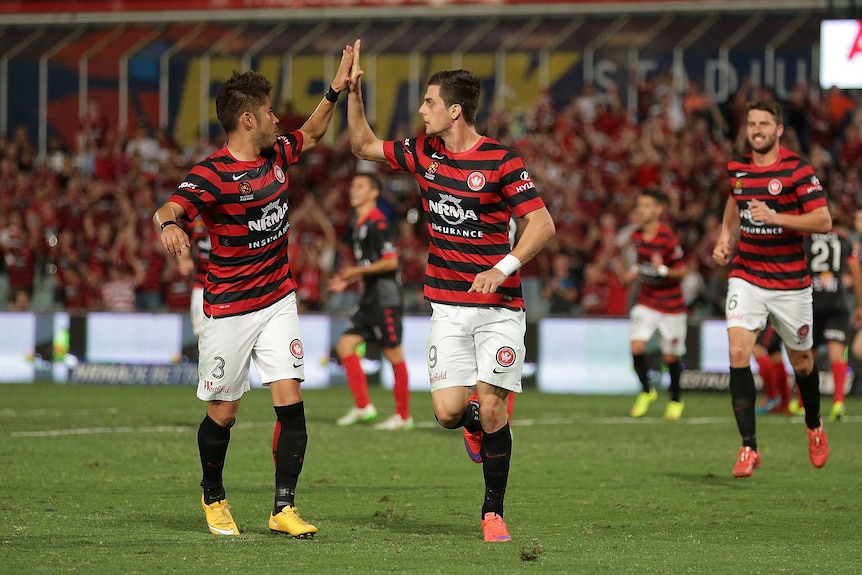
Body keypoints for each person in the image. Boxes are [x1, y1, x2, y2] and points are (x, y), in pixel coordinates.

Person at [346, 39, 556, 542]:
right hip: (447, 307)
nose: (421, 110)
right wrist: (352, 92)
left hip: (500, 308)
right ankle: (471, 421)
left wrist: (502, 267)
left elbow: (542, 224)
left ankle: (492, 513)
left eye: (429, 102)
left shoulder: (502, 161)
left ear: (455, 110)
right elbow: (362, 146)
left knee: (496, 405)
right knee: (447, 412)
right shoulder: (423, 153)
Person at [152, 48, 354, 537]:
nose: (275, 118)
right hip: (228, 310)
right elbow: (169, 207)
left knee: (291, 400)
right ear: (248, 119)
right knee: (223, 412)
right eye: (267, 112)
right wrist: (167, 227)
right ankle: (214, 496)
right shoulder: (212, 174)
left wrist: (334, 90)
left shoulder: (276, 153)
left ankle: (283, 507)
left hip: (277, 301)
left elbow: (312, 131)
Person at [712, 99, 832, 479]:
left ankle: (813, 424)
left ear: (779, 129)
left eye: (765, 123)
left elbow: (824, 220)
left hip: (790, 284)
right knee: (736, 350)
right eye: (752, 124)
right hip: (747, 274)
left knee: (803, 362)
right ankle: (749, 447)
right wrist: (725, 237)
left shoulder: (798, 170)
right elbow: (735, 200)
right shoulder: (738, 168)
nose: (757, 129)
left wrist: (775, 216)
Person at [331, 173, 413, 430]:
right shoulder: (360, 223)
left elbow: (391, 261)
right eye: (353, 185)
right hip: (369, 298)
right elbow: (369, 264)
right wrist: (350, 278)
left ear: (374, 193)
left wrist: (356, 272)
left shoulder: (378, 223)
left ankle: (403, 416)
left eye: (360, 186)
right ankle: (364, 406)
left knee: (394, 354)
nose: (353, 190)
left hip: (385, 299)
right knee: (346, 347)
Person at [623, 189, 687, 420]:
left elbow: (682, 273)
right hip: (647, 301)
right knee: (636, 346)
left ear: (659, 209)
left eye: (648, 205)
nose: (642, 210)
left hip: (672, 306)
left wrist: (663, 270)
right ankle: (646, 390)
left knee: (670, 357)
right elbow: (639, 262)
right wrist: (634, 271)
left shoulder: (668, 239)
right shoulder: (637, 236)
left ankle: (676, 399)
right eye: (640, 205)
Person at [801, 227, 862, 420]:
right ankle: (838, 402)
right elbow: (856, 273)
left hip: (812, 302)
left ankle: (803, 403)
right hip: (838, 303)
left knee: (806, 355)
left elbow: (798, 268)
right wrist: (861, 304)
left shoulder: (806, 238)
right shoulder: (844, 239)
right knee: (837, 354)